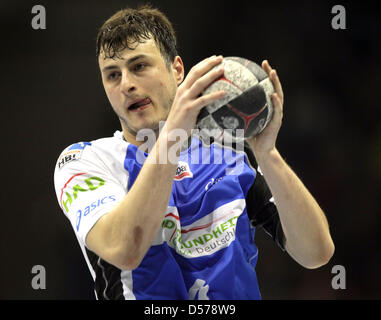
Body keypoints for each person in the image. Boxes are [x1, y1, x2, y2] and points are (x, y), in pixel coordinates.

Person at [53, 5, 334, 300]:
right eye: (112, 75)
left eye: (139, 66)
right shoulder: (84, 161)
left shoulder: (231, 158)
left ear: (177, 70)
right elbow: (124, 250)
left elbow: (316, 252)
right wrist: (173, 135)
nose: (126, 85)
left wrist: (268, 153)